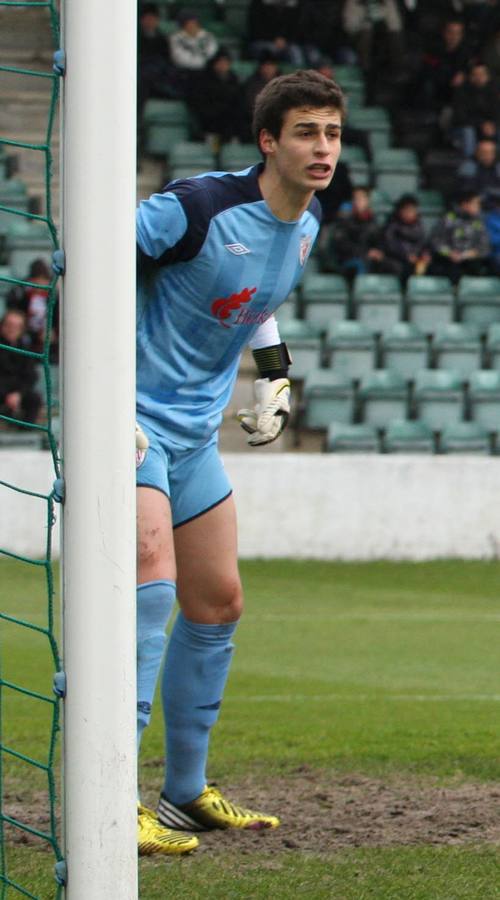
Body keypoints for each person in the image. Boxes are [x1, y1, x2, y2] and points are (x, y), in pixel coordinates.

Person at [134, 69, 345, 855]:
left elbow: (257, 296)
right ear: (268, 141)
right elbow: (96, 258)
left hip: (191, 437)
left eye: (330, 132)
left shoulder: (306, 223)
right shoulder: (193, 207)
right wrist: (100, 397)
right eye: (305, 132)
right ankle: (105, 799)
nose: (322, 147)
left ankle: (185, 794)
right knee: (151, 587)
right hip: (131, 426)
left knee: (217, 602)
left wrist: (276, 370)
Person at [428, 188, 491, 283]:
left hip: (470, 261)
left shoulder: (478, 222)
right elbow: (435, 241)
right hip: (449, 261)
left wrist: (467, 254)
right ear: (465, 205)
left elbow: (485, 246)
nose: (478, 207)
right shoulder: (448, 219)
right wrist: (449, 253)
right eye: (475, 203)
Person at [187, 48, 244, 146]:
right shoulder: (204, 80)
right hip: (210, 121)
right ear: (215, 63)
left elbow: (239, 102)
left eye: (226, 63)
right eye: (220, 62)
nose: (223, 65)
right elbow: (199, 103)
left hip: (230, 122)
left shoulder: (234, 80)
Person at [0, 309, 42, 426]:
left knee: (34, 399)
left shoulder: (25, 349)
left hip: (18, 393)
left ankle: (26, 432)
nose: (12, 329)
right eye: (9, 325)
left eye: (17, 326)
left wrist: (18, 393)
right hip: (2, 391)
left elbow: (31, 376)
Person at [381, 193, 431, 282]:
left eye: (412, 210)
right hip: (397, 260)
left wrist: (424, 254)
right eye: (407, 210)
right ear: (400, 211)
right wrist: (406, 256)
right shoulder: (392, 226)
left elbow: (423, 244)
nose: (410, 213)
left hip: (415, 260)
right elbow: (390, 245)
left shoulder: (419, 226)